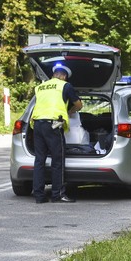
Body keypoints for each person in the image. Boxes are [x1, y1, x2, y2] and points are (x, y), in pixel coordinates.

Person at [31, 62, 82, 204]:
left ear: (53, 74)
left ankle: (39, 196)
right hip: (53, 125)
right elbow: (79, 105)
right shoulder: (65, 86)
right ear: (64, 76)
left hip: (37, 124)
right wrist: (69, 111)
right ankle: (57, 194)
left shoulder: (40, 87)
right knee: (57, 160)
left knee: (39, 160)